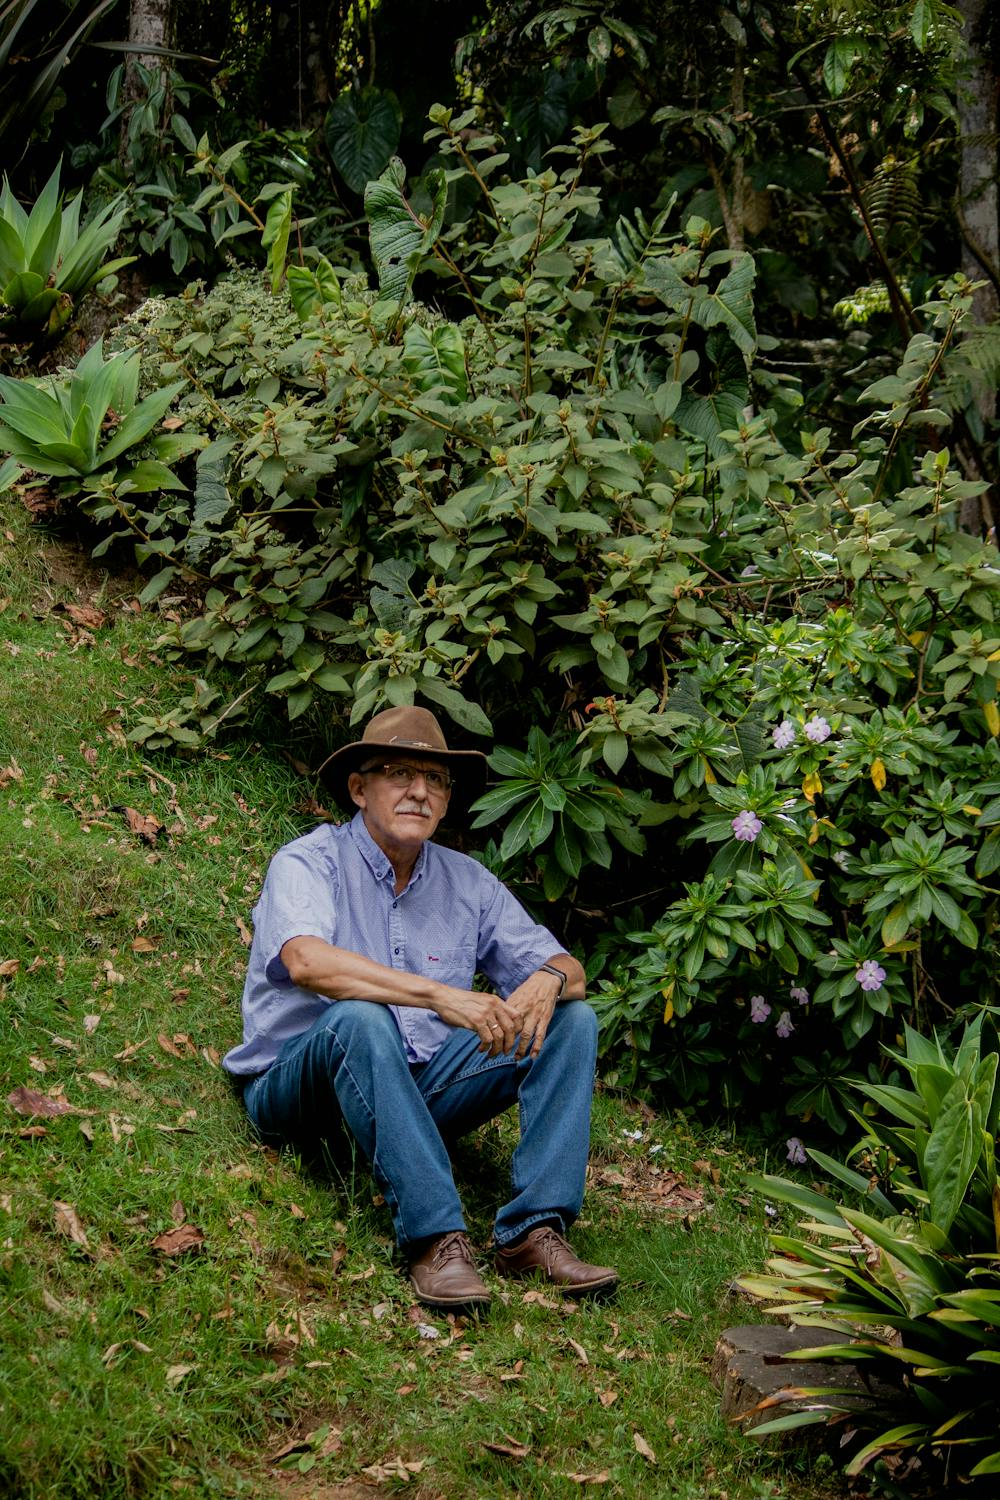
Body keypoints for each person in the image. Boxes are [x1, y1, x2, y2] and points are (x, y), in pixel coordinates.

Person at [224, 705, 617, 1311]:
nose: (419, 791)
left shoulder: (469, 883)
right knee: (360, 1018)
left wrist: (548, 977)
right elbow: (305, 961)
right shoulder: (309, 861)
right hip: (302, 1089)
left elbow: (570, 970)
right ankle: (436, 1238)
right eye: (398, 772)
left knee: (571, 1018)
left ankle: (533, 1233)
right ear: (359, 788)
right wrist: (437, 993)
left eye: (435, 779)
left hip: (418, 1090)